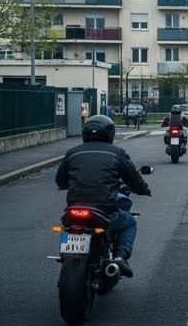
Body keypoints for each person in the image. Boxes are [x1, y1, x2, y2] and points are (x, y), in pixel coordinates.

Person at [55, 115, 151, 277]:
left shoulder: (73, 152)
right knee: (129, 222)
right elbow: (133, 179)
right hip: (104, 211)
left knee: (69, 228)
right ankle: (120, 257)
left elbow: (60, 180)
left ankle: (66, 254)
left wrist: (67, 184)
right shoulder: (117, 153)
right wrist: (144, 189)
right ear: (110, 133)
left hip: (73, 210)